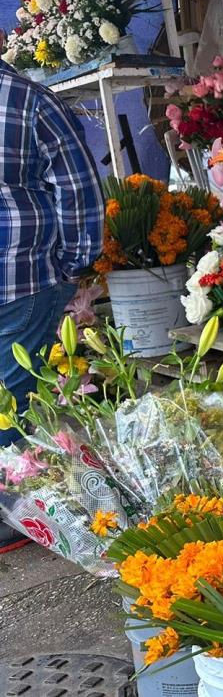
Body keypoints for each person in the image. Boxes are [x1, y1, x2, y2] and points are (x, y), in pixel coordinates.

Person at [0, 59, 104, 549]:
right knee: (13, 406)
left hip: (23, 278)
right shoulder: (29, 99)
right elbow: (78, 189)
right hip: (22, 278)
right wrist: (71, 264)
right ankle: (13, 511)